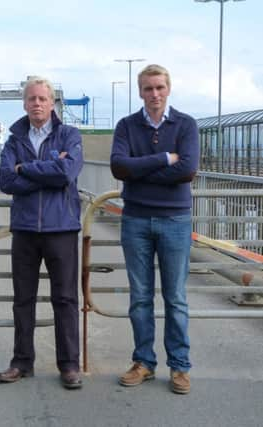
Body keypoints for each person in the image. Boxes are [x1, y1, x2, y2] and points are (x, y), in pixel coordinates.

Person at [110, 64, 199, 395]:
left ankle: (180, 367)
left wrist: (139, 170)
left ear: (169, 89)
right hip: (135, 219)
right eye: (148, 88)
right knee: (140, 298)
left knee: (175, 298)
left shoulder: (186, 124)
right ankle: (143, 362)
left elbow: (188, 170)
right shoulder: (126, 125)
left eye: (159, 87)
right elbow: (119, 167)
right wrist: (164, 158)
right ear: (140, 91)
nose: (155, 94)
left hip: (175, 220)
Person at [0, 76, 84, 390]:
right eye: (32, 99)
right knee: (23, 299)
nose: (37, 104)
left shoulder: (69, 134)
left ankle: (69, 364)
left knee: (65, 298)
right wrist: (47, 166)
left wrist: (25, 168)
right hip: (24, 229)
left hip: (61, 227)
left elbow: (66, 173)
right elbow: (6, 181)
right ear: (24, 103)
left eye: (42, 99)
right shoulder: (13, 140)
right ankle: (22, 361)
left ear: (52, 103)